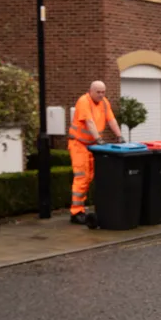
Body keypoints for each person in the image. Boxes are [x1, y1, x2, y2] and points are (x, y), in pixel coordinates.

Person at [67, 81, 122, 224]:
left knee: (90, 176)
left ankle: (82, 208)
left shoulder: (104, 102)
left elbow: (111, 120)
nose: (101, 95)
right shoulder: (83, 101)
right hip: (79, 144)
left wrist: (120, 136)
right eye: (98, 92)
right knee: (82, 176)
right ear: (90, 91)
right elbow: (89, 122)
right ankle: (76, 212)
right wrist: (98, 138)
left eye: (103, 92)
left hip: (92, 145)